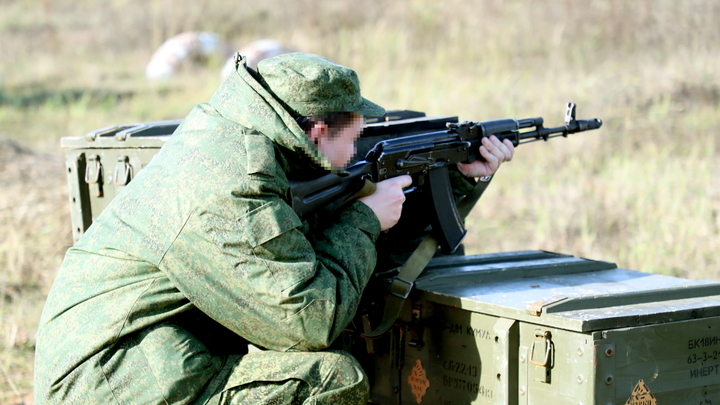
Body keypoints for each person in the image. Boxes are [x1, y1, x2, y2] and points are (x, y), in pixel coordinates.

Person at [34, 53, 513, 404]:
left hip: (144, 358)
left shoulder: (239, 140)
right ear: (317, 132)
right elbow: (312, 322)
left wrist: (459, 178)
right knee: (331, 378)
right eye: (355, 135)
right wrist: (365, 218)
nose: (359, 147)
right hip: (111, 383)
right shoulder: (236, 188)